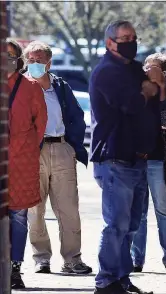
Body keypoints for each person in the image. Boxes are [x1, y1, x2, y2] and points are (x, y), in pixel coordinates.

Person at [90, 20, 159, 294]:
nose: (131, 41)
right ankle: (106, 281)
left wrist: (148, 89)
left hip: (137, 157)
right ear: (110, 42)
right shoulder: (107, 72)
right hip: (115, 157)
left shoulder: (133, 69)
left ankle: (121, 278)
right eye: (124, 38)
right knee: (116, 225)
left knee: (130, 226)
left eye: (134, 37)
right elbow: (131, 104)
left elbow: (153, 97)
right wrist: (146, 90)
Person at [24, 41, 91, 275]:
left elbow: (77, 116)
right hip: (32, 153)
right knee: (35, 209)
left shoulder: (60, 86)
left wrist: (73, 147)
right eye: (30, 60)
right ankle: (41, 258)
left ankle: (73, 259)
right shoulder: (21, 87)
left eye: (39, 60)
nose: (33, 64)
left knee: (69, 209)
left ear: (49, 63)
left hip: (61, 148)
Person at [131, 53, 166, 274]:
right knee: (139, 212)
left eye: (152, 67)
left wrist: (162, 88)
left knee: (163, 211)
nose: (146, 70)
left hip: (161, 160)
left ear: (163, 72)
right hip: (138, 160)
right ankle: (137, 260)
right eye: (145, 66)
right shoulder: (138, 93)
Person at [6, 39, 47, 289]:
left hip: (22, 162)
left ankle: (14, 268)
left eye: (11, 55)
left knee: (19, 217)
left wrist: (27, 148)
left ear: (19, 59)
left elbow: (39, 125)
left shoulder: (31, 87)